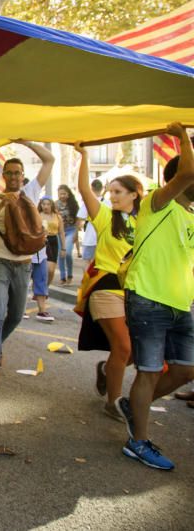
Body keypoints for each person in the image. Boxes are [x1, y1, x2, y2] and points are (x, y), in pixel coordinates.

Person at [115, 124, 194, 471]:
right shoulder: (156, 203)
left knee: (185, 371)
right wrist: (183, 134)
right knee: (148, 372)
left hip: (180, 304)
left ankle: (135, 405)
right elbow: (188, 170)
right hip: (147, 298)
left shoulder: (190, 215)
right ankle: (138, 441)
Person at [0, 141, 54, 387]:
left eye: (17, 173)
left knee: (17, 315)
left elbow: (49, 159)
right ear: (3, 175)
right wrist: (2, 202)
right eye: (8, 172)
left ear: (22, 176)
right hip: (0, 260)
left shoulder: (31, 192)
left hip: (24, 264)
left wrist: (24, 141)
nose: (12, 176)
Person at [74, 143, 139, 421]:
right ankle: (113, 402)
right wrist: (85, 156)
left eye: (118, 192)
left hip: (135, 291)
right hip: (105, 287)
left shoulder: (146, 222)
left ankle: (105, 371)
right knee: (123, 348)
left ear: (134, 195)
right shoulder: (103, 216)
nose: (111, 196)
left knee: (135, 351)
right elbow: (85, 191)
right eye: (110, 191)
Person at [33, 197, 63, 322]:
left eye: (48, 204)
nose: (45, 206)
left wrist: (64, 248)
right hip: (33, 247)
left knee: (45, 275)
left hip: (48, 246)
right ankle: (21, 310)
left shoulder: (57, 216)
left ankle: (42, 310)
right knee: (24, 280)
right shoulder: (36, 215)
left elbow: (61, 232)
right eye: (43, 204)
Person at [56, 184, 82, 285]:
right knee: (61, 254)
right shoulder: (55, 204)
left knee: (67, 253)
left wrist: (76, 232)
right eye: (60, 194)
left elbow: (78, 220)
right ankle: (63, 277)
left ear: (68, 194)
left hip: (71, 230)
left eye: (64, 193)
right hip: (59, 232)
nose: (62, 196)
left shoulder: (73, 204)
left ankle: (70, 275)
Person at [80, 179, 103, 264]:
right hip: (102, 239)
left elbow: (80, 219)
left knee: (88, 263)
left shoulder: (88, 202)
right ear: (102, 188)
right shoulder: (108, 203)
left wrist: (76, 232)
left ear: (91, 188)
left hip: (90, 238)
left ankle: (88, 277)